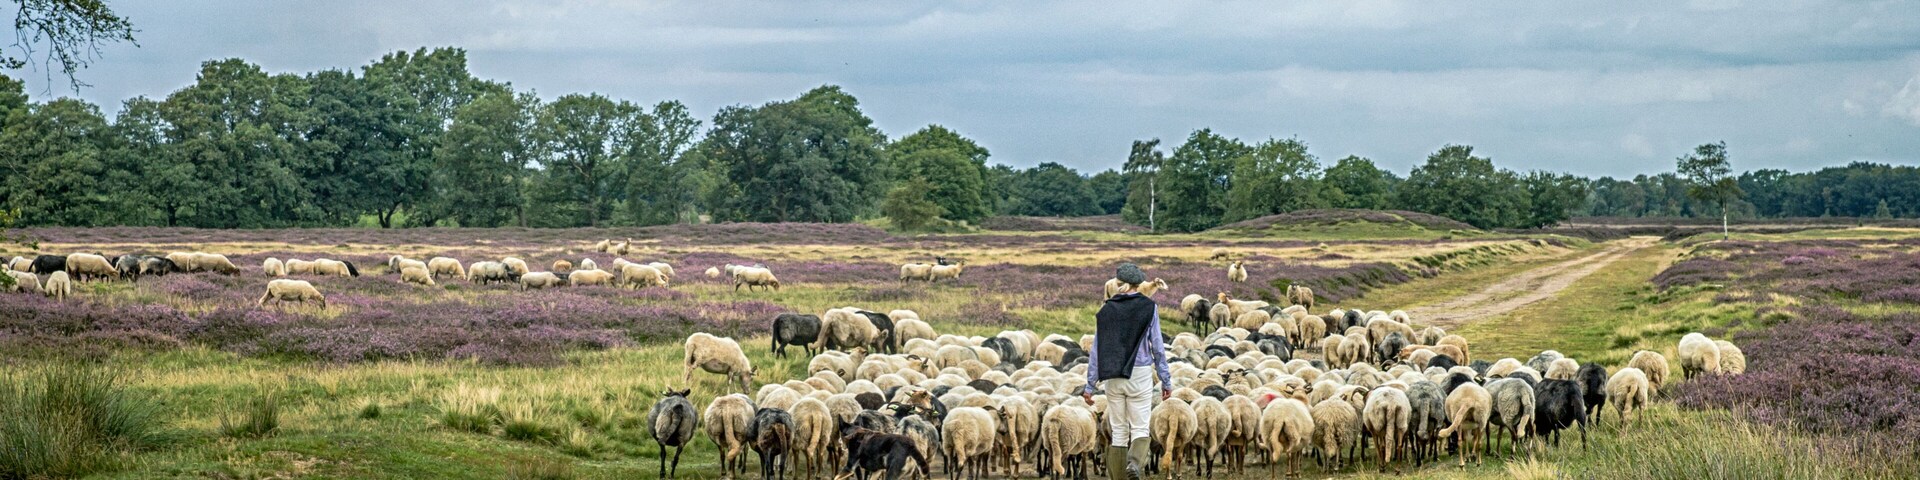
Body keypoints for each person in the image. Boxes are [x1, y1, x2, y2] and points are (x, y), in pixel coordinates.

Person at [1082, 263, 1170, 480]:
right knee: (1140, 427)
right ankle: (1134, 464)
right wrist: (1165, 381)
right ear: (1138, 284)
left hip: (1112, 375)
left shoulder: (1106, 309)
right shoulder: (1149, 308)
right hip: (1139, 374)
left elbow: (1097, 350)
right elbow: (1158, 347)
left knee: (1119, 431)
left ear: (1118, 283)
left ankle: (1119, 477)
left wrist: (1090, 385)